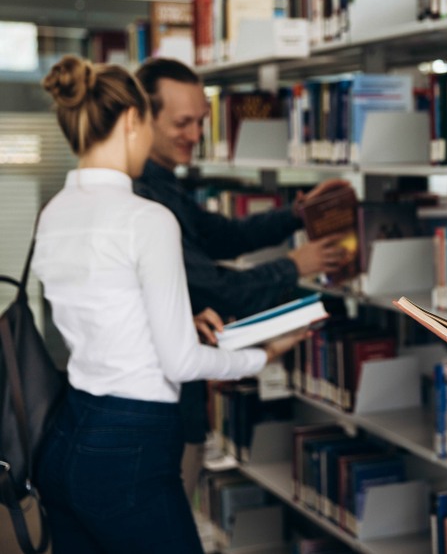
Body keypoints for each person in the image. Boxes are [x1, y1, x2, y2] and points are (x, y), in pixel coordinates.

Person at [32, 55, 305, 553]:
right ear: (134, 120)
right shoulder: (147, 218)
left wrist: (175, 317)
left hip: (67, 433)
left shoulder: (53, 212)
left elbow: (102, 314)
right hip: (131, 445)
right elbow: (181, 361)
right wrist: (263, 355)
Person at [133, 57, 348, 498]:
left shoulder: (165, 185)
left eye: (201, 122)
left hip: (176, 400)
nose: (195, 136)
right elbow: (212, 287)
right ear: (142, 117)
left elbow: (224, 236)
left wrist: (296, 214)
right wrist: (295, 265)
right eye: (182, 122)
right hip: (162, 409)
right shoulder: (143, 198)